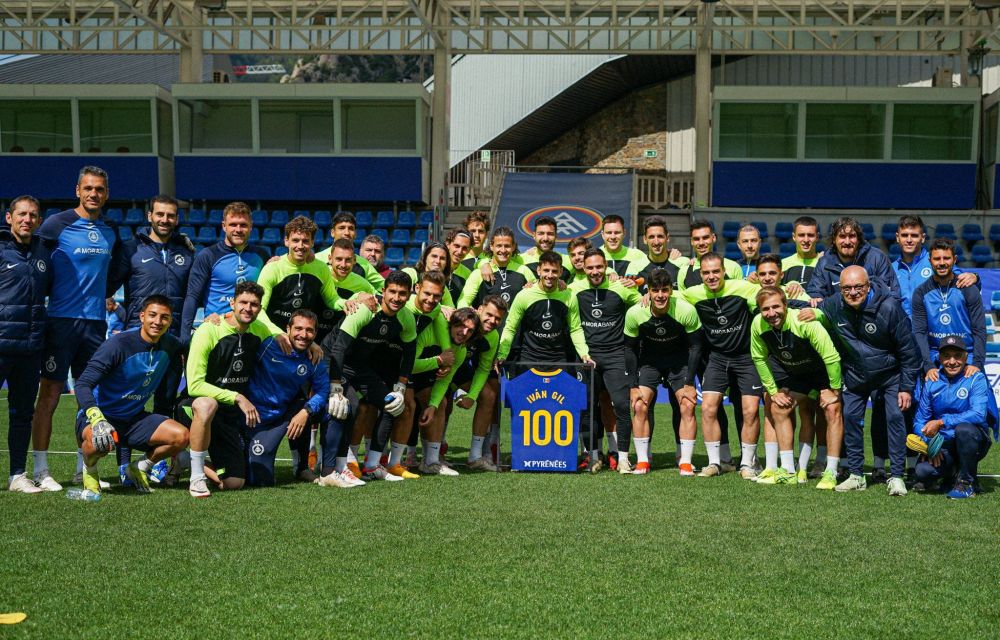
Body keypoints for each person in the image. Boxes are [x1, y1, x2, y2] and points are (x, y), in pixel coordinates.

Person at [33, 166, 123, 492]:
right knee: (51, 393)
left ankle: (82, 469)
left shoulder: (111, 230)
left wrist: (105, 294)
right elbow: (38, 268)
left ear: (106, 194)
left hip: (95, 325)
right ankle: (41, 470)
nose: (93, 194)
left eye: (99, 189)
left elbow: (115, 272)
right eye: (88, 188)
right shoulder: (55, 225)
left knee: (90, 397)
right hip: (60, 322)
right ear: (77, 191)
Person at [810, 265, 921, 495]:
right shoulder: (834, 304)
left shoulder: (889, 307)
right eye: (847, 288)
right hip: (855, 375)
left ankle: (897, 476)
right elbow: (807, 305)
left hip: (890, 375)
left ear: (868, 286)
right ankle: (856, 475)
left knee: (894, 417)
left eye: (858, 287)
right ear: (840, 289)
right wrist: (802, 306)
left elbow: (909, 351)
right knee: (850, 418)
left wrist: (906, 387)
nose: (853, 292)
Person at [74, 295, 188, 495]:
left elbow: (192, 345)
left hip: (134, 419)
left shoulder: (170, 344)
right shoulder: (118, 344)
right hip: (101, 416)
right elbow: (83, 384)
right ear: (142, 316)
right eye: (152, 315)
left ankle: (140, 467)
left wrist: (217, 320)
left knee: (181, 437)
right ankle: (89, 471)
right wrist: (96, 417)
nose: (158, 322)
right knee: (98, 443)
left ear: (170, 321)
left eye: (164, 317)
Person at [179, 281, 278, 497]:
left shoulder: (260, 331)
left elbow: (281, 347)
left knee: (234, 482)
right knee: (207, 404)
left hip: (228, 415)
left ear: (260, 308)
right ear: (232, 303)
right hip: (194, 407)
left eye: (254, 304)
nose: (248, 308)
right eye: (243, 302)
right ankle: (197, 477)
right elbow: (194, 385)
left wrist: (311, 344)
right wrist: (237, 397)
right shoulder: (209, 330)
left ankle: (184, 459)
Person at [496, 251, 595, 465]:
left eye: (554, 271)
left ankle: (561, 455)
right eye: (546, 270)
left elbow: (575, 328)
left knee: (562, 406)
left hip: (559, 358)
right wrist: (502, 354)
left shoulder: (568, 296)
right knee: (525, 407)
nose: (550, 275)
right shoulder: (524, 296)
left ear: (561, 272)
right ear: (539, 270)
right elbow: (510, 326)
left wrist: (584, 354)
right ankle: (524, 455)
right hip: (529, 358)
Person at [323, 270, 416, 482]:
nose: (396, 298)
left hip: (358, 365)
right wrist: (335, 387)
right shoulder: (365, 310)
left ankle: (372, 465)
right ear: (383, 291)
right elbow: (338, 348)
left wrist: (401, 387)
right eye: (392, 292)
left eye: (402, 293)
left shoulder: (406, 317)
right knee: (350, 405)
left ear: (409, 294)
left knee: (392, 403)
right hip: (332, 361)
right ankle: (341, 467)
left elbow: (409, 353)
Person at [749, 286, 843, 489]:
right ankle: (789, 471)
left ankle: (831, 471)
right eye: (766, 309)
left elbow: (831, 357)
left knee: (832, 410)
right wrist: (773, 392)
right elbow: (759, 358)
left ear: (785, 305)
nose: (771, 313)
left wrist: (834, 391)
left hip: (824, 372)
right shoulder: (758, 324)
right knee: (779, 407)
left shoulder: (803, 322)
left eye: (776, 307)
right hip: (799, 375)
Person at [680, 252, 762, 479]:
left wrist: (795, 290)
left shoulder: (744, 288)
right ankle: (715, 462)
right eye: (706, 273)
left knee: (750, 410)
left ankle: (748, 463)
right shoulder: (693, 294)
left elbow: (771, 296)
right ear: (700, 274)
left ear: (724, 271)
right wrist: (647, 295)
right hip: (717, 359)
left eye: (716, 271)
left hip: (746, 358)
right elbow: (670, 298)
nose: (712, 276)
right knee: (708, 408)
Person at [115, 194, 194, 416]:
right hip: (137, 338)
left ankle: (158, 440)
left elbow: (195, 293)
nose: (164, 220)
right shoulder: (131, 249)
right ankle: (125, 441)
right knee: (127, 402)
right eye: (160, 214)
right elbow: (107, 284)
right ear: (150, 216)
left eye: (170, 215)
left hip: (171, 340)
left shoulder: (187, 252)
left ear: (177, 219)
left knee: (165, 405)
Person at [570, 248, 642, 472]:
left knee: (621, 405)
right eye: (590, 267)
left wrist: (647, 294)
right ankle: (592, 457)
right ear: (583, 268)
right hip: (587, 357)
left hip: (615, 356)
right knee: (587, 407)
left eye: (599, 267)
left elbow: (643, 303)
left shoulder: (620, 287)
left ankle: (622, 458)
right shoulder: (573, 289)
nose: (595, 271)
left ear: (606, 267)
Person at [624, 269, 702, 476]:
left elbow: (696, 347)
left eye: (665, 290)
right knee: (639, 405)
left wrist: (689, 383)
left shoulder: (685, 310)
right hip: (650, 363)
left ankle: (685, 461)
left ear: (671, 291)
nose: (660, 295)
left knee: (687, 405)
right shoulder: (635, 313)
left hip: (678, 362)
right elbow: (629, 349)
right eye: (655, 290)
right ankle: (643, 461)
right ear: (648, 291)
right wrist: (633, 386)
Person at [0, 195, 52, 493]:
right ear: (9, 218)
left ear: (39, 221)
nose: (27, 220)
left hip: (30, 348)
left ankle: (17, 475)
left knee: (22, 414)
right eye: (21, 214)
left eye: (32, 215)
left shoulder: (44, 252)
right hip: (1, 344)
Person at [245, 310, 329, 487]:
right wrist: (216, 318)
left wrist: (306, 412)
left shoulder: (315, 356)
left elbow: (323, 390)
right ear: (288, 329)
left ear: (315, 333)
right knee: (256, 479)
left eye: (309, 330)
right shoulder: (268, 344)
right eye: (298, 328)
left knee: (333, 408)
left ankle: (307, 467)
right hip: (253, 416)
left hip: (281, 415)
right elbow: (247, 321)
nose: (303, 335)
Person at [911, 335, 998, 499]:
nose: (952, 362)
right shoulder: (932, 381)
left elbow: (978, 414)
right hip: (944, 442)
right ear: (939, 358)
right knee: (922, 471)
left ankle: (966, 483)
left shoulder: (976, 378)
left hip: (973, 438)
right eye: (946, 356)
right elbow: (919, 421)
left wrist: (941, 422)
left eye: (957, 356)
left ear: (966, 357)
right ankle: (954, 474)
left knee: (963, 430)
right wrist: (929, 444)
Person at [180, 201, 269, 342]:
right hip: (217, 329)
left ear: (251, 227)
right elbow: (193, 296)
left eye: (243, 225)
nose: (238, 229)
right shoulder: (208, 255)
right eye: (233, 224)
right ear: (224, 226)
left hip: (250, 332)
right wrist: (185, 337)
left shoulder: (261, 256)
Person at [413, 307, 482, 475]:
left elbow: (445, 381)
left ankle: (431, 461)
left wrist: (433, 405)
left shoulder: (461, 350)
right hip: (406, 375)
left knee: (440, 404)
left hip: (428, 377)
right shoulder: (430, 333)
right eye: (461, 326)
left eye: (470, 330)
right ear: (451, 324)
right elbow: (409, 365)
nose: (464, 333)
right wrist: (438, 361)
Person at [912, 238, 986, 379]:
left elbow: (979, 330)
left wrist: (977, 363)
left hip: (967, 356)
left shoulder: (969, 289)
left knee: (982, 392)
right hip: (936, 357)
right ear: (930, 261)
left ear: (954, 259)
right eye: (937, 259)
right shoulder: (920, 293)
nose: (941, 263)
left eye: (946, 258)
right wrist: (928, 366)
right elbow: (919, 332)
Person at [448, 295, 508, 471]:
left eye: (498, 318)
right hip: (439, 368)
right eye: (489, 314)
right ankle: (431, 455)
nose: (493, 321)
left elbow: (483, 369)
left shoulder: (493, 336)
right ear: (480, 309)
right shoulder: (462, 320)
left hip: (460, 372)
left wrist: (471, 397)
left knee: (489, 395)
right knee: (443, 405)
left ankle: (475, 457)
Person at [806, 216, 900, 304]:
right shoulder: (824, 263)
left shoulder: (877, 258)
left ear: (858, 239)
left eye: (851, 236)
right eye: (842, 236)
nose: (847, 242)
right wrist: (816, 298)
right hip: (837, 314)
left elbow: (890, 294)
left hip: (871, 314)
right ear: (834, 239)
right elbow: (815, 292)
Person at [457, 226, 535, 308]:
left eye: (507, 246)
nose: (503, 250)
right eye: (499, 246)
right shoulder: (479, 273)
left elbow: (538, 295)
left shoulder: (524, 270)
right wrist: (470, 313)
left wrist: (532, 291)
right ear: (491, 246)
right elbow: (463, 301)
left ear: (513, 247)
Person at [315, 212, 385, 292]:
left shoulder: (364, 265)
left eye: (351, 228)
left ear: (355, 234)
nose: (347, 233)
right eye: (341, 228)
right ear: (332, 232)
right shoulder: (317, 259)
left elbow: (386, 287)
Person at [676, 219, 742, 289]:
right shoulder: (684, 272)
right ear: (692, 242)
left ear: (713, 238)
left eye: (705, 238)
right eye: (696, 239)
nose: (701, 243)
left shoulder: (733, 267)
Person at [633, 216, 686, 292]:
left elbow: (689, 294)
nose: (656, 242)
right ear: (645, 239)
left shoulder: (683, 264)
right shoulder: (635, 267)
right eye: (651, 237)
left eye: (660, 236)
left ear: (667, 238)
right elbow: (629, 296)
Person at [599, 214, 647, 278]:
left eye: (617, 233)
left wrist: (636, 281)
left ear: (624, 233)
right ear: (602, 234)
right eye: (609, 233)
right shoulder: (593, 256)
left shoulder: (638, 255)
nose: (613, 237)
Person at [781, 216, 822, 287]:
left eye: (810, 235)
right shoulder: (783, 265)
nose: (806, 240)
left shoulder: (824, 264)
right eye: (801, 235)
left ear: (817, 237)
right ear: (794, 237)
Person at [445, 228, 473, 304]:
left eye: (464, 248)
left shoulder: (468, 274)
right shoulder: (437, 266)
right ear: (448, 244)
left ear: (469, 250)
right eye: (456, 246)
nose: (460, 251)